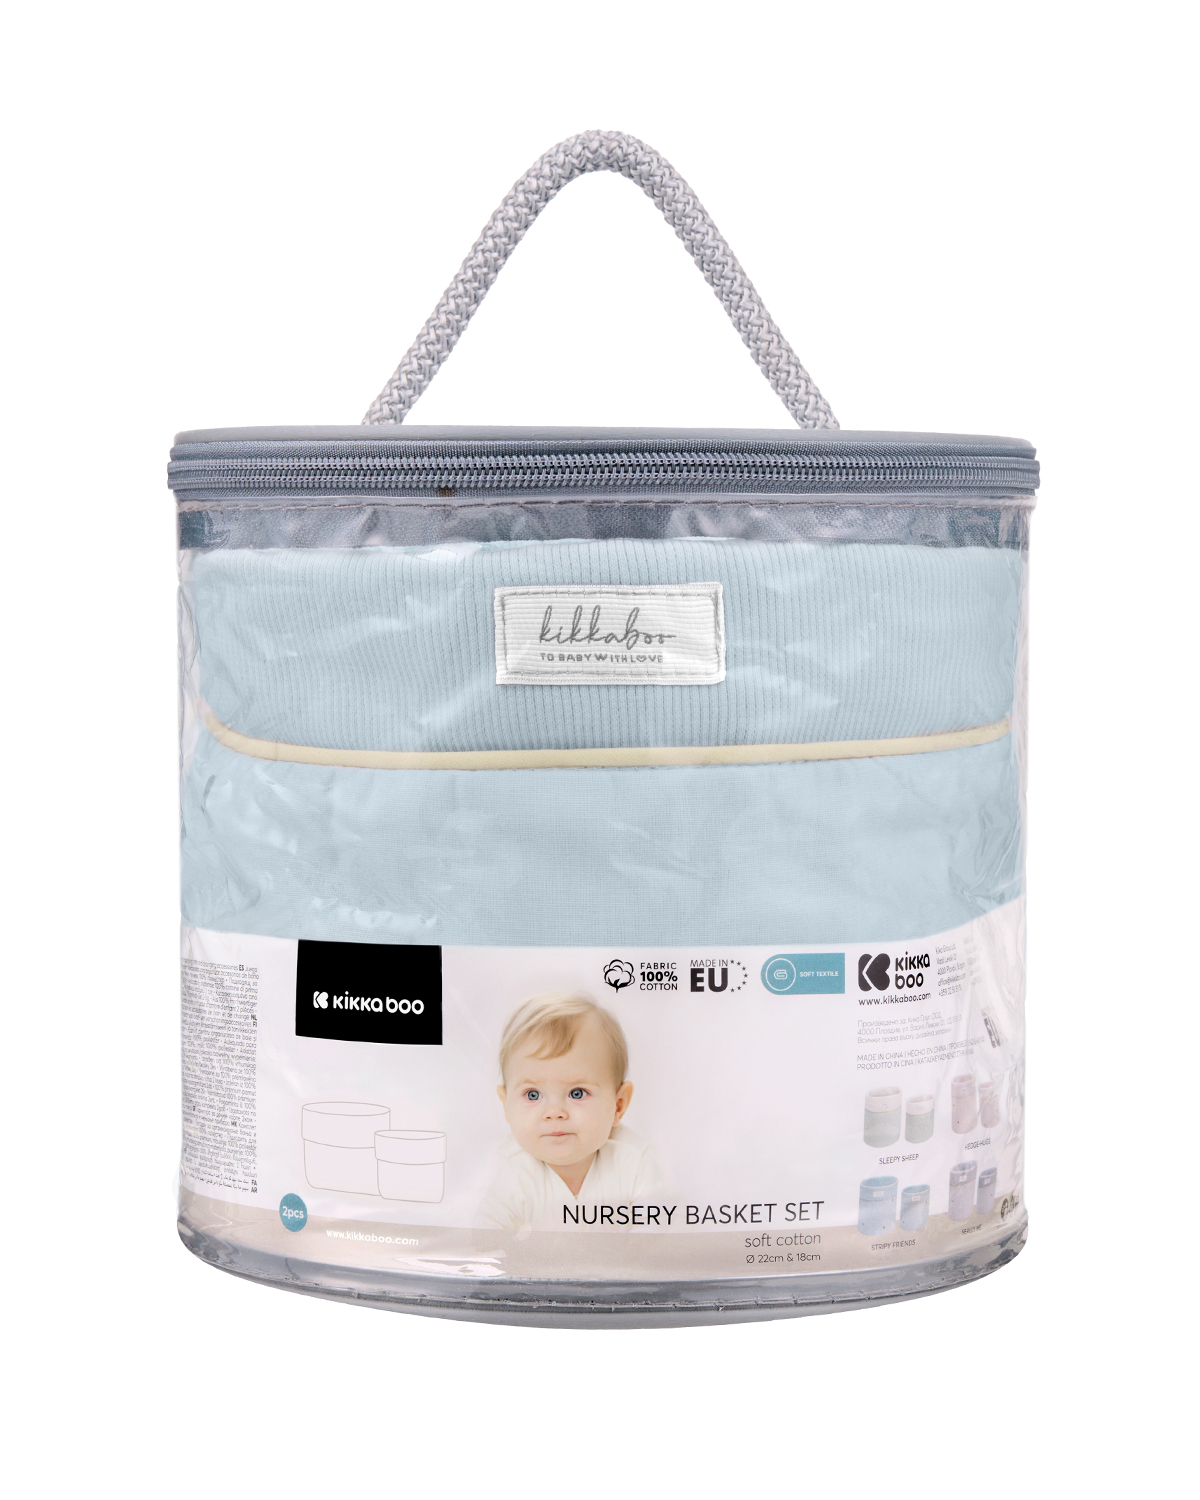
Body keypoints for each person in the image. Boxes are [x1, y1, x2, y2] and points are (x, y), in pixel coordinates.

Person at [482, 994, 662, 1231]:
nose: (554, 1112)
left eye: (577, 1093)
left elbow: (660, 1233)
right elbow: (484, 1242)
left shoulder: (634, 1161)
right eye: (532, 1095)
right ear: (506, 1105)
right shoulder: (507, 1172)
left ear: (618, 1105)